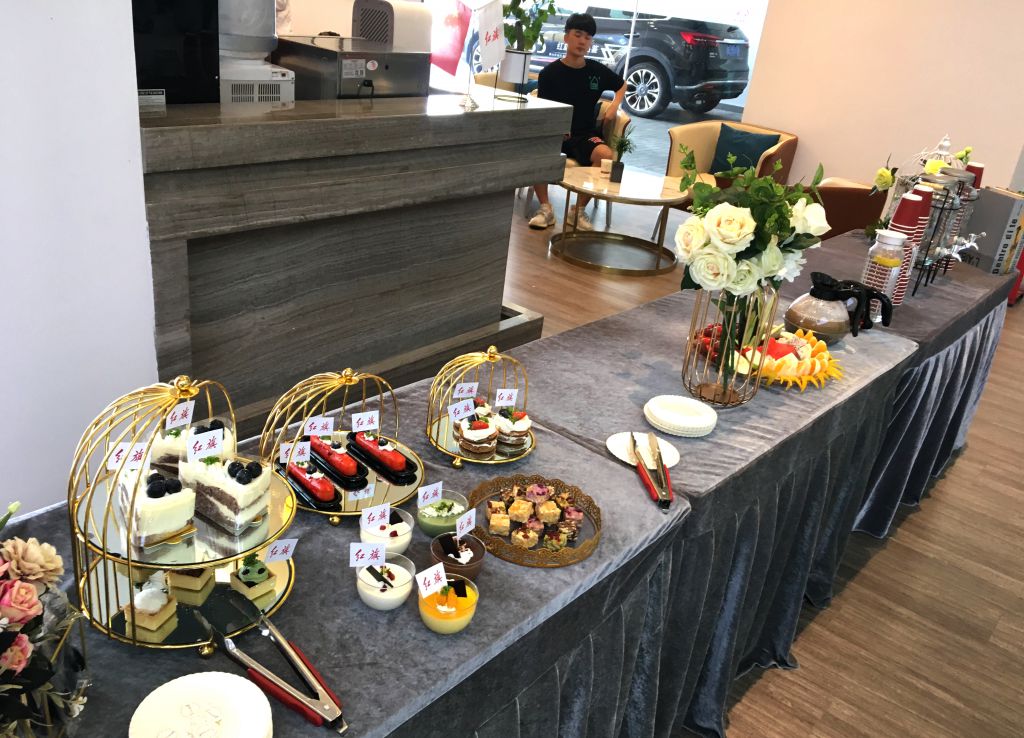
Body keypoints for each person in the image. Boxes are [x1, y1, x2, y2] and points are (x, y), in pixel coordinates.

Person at [529, 13, 626, 231]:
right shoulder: (549, 73)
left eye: (588, 37)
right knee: (537, 150)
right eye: (578, 34)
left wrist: (614, 106)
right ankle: (545, 209)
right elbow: (544, 110)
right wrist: (556, 129)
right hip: (556, 134)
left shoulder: (596, 71)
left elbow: (622, 85)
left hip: (584, 135)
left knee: (605, 155)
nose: (582, 41)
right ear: (566, 37)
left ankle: (578, 210)